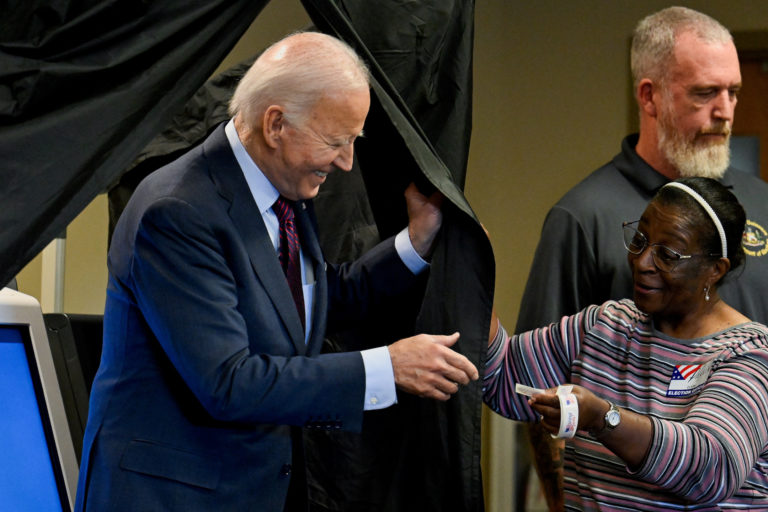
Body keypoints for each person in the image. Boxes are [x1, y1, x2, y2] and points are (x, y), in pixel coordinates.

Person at [74, 32, 478, 512]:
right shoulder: (177, 212)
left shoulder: (281, 187)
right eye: (336, 141)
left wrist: (416, 242)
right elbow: (229, 382)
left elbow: (310, 300)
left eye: (353, 142)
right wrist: (385, 369)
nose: (347, 162)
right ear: (276, 124)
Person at [515, 7, 768, 509]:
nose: (725, 110)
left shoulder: (761, 202)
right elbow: (542, 391)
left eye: (733, 91)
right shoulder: (583, 215)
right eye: (704, 93)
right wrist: (564, 500)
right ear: (649, 96)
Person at [485, 177, 768, 510]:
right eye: (640, 240)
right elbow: (502, 378)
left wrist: (604, 419)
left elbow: (710, 470)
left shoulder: (749, 353)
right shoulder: (606, 326)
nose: (642, 262)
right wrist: (474, 271)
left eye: (667, 255)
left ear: (714, 270)